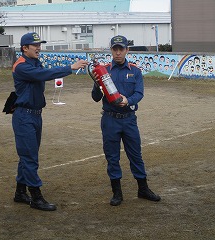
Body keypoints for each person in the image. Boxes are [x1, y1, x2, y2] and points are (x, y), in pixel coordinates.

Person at [12, 32, 88, 211]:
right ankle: (36, 197)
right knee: (30, 158)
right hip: (24, 116)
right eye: (35, 45)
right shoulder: (22, 66)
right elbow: (44, 74)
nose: (39, 48)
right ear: (24, 48)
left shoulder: (33, 62)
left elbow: (42, 72)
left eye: (40, 44)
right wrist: (71, 67)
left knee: (27, 156)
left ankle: (20, 192)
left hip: (35, 115)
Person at [91, 35, 161, 206]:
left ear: (127, 50)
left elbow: (139, 93)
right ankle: (117, 193)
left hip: (129, 119)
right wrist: (96, 83)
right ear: (111, 50)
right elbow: (95, 97)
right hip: (110, 120)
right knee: (112, 157)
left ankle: (143, 189)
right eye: (115, 49)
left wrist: (128, 101)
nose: (118, 52)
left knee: (135, 155)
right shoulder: (104, 70)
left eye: (121, 49)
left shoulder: (135, 71)